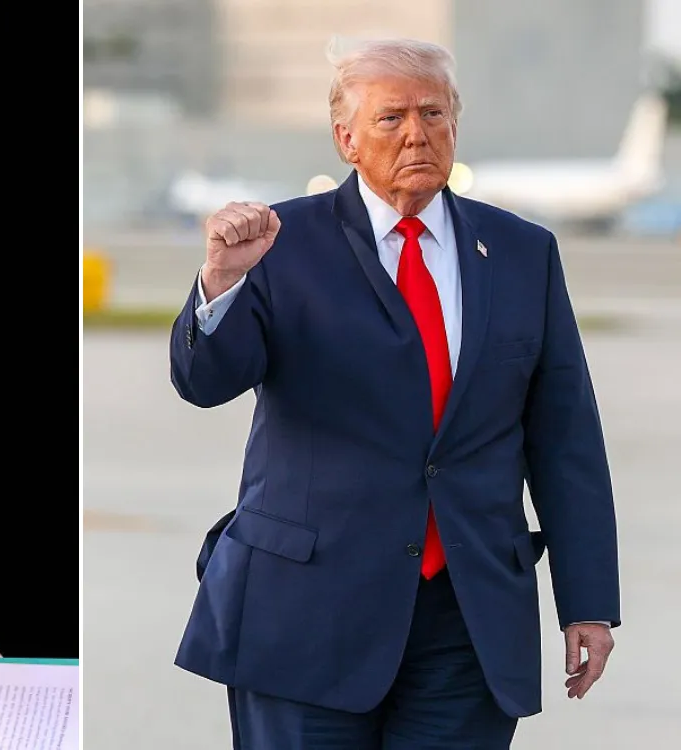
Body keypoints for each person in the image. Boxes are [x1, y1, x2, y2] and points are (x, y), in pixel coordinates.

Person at [169, 38, 620, 748]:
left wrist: (588, 603)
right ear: (346, 139)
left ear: (455, 125)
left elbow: (565, 440)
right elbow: (202, 383)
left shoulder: (522, 252)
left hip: (468, 617)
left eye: (434, 113)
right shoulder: (278, 243)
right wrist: (221, 283)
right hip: (308, 615)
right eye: (391, 118)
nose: (418, 132)